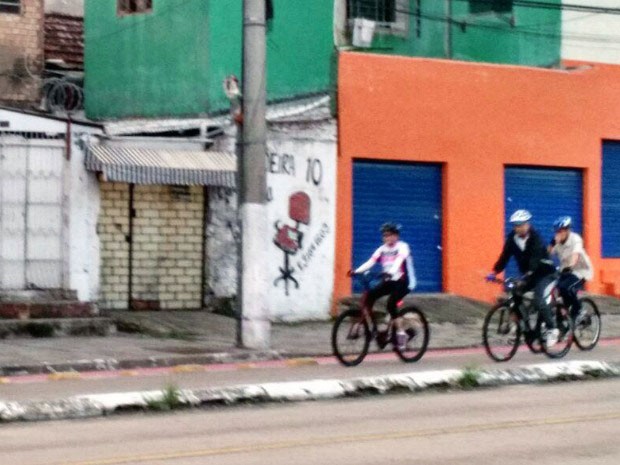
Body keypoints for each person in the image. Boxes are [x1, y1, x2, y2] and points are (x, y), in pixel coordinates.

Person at [486, 210, 559, 346]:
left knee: (538, 300)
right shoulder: (512, 238)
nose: (517, 228)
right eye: (515, 225)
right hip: (529, 275)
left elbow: (535, 259)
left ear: (527, 224)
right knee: (515, 295)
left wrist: (527, 275)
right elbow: (505, 256)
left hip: (546, 274)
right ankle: (523, 330)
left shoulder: (535, 238)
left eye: (520, 224)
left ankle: (552, 329)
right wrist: (495, 272)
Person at [350, 222, 416, 350]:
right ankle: (375, 331)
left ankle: (402, 334)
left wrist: (390, 272)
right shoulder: (382, 249)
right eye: (385, 236)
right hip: (389, 280)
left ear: (396, 236)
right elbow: (371, 261)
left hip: (404, 281)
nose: (387, 238)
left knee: (391, 304)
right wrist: (356, 271)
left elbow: (398, 261)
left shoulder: (403, 247)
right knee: (369, 297)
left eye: (390, 235)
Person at [548, 216, 594, 322]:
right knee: (557, 291)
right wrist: (551, 244)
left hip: (581, 271)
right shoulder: (557, 242)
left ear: (567, 230)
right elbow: (547, 255)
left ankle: (579, 310)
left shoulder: (575, 239)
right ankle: (562, 322)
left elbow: (575, 255)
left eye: (561, 231)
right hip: (565, 271)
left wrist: (570, 266)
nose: (558, 233)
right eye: (557, 231)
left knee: (566, 288)